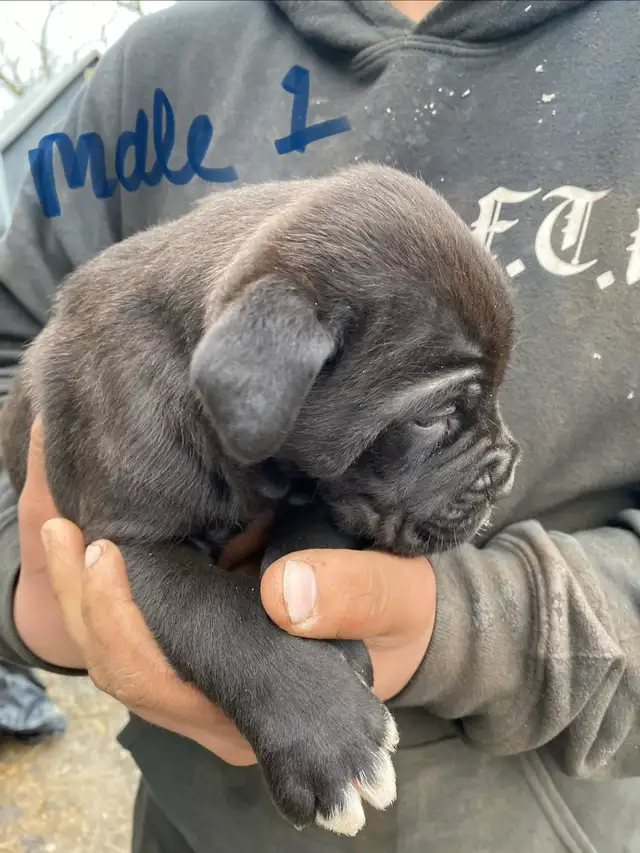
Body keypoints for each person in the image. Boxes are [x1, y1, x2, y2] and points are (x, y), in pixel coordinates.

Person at [1, 0, 639, 849]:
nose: (500, 461)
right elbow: (126, 550)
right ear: (261, 383)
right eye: (441, 417)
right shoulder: (156, 74)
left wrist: (456, 628)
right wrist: (38, 587)